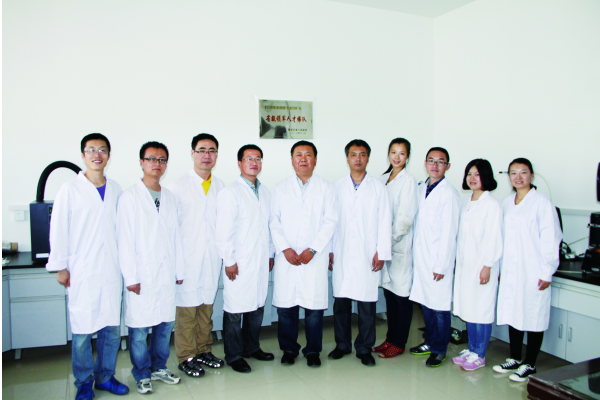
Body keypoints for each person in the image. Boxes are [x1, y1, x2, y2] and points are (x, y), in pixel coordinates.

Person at [47, 133, 129, 400]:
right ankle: (83, 382)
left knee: (110, 329)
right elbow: (58, 228)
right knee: (82, 330)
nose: (97, 154)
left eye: (102, 149)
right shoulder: (69, 189)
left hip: (111, 269)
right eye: (91, 150)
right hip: (82, 269)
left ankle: (105, 377)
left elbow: (122, 230)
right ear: (83, 156)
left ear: (108, 155)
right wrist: (61, 266)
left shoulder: (116, 189)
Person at [117, 141, 185, 394]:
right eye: (152, 159)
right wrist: (131, 276)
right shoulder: (129, 197)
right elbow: (124, 240)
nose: (157, 164)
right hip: (142, 274)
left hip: (166, 272)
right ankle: (142, 373)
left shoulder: (169, 197)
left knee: (165, 325)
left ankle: (159, 367)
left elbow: (176, 236)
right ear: (141, 162)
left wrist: (179, 270)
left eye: (162, 160)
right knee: (138, 329)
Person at [493, 158, 562, 382]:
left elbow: (552, 239)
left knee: (533, 315)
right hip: (511, 270)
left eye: (523, 172)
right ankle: (514, 358)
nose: (518, 177)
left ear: (532, 175)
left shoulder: (542, 203)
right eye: (513, 173)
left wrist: (547, 271)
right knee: (514, 312)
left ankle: (530, 363)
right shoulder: (506, 202)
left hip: (534, 270)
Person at [270, 141, 338, 368]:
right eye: (298, 154)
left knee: (314, 309)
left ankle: (313, 351)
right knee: (286, 309)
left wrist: (313, 249)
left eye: (308, 155)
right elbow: (274, 221)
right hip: (287, 257)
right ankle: (289, 349)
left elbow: (330, 221)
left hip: (314, 257)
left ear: (315, 160)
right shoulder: (280, 188)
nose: (303, 159)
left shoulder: (326, 188)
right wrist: (285, 248)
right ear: (292, 160)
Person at [329, 139, 392, 367]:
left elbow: (385, 220)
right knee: (341, 304)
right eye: (354, 154)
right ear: (347, 158)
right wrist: (330, 250)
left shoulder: (378, 188)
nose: (358, 158)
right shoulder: (336, 187)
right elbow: (330, 221)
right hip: (342, 251)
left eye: (362, 154)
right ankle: (342, 345)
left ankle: (364, 348)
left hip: (368, 253)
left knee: (367, 305)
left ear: (368, 158)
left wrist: (382, 252)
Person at [168, 134, 225, 377]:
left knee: (206, 310)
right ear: (192, 153)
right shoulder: (177, 186)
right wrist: (175, 265)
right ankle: (186, 356)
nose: (206, 155)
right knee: (186, 313)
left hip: (211, 258)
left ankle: (204, 350)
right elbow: (170, 229)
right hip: (187, 260)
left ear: (216, 155)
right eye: (201, 150)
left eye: (211, 151)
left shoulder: (221, 187)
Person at [215, 144, 275, 373]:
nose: (254, 162)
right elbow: (224, 231)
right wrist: (229, 260)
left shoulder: (265, 192)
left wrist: (270, 253)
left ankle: (252, 347)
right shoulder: (230, 192)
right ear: (240, 163)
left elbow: (269, 227)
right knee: (235, 310)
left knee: (257, 306)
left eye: (258, 158)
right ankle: (234, 355)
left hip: (259, 260)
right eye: (249, 158)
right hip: (238, 262)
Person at [409, 147, 460, 367]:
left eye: (440, 161)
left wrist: (442, 264)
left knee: (439, 307)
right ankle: (429, 341)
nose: (435, 165)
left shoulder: (450, 194)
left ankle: (439, 349)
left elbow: (449, 233)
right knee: (426, 304)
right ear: (425, 163)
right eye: (431, 160)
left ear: (447, 166)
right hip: (422, 258)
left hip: (438, 261)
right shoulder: (422, 189)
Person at [451, 159, 503, 371]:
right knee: (469, 307)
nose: (472, 178)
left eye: (477, 174)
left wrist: (487, 265)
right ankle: (472, 349)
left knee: (481, 309)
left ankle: (480, 354)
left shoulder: (492, 204)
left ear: (486, 177)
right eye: (469, 174)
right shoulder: (466, 202)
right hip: (466, 265)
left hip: (483, 265)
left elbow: (494, 237)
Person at [373, 138, 418, 359]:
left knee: (402, 298)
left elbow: (404, 219)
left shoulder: (408, 181)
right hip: (385, 247)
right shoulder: (383, 179)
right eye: (393, 152)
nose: (397, 157)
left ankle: (399, 343)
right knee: (390, 296)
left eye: (402, 153)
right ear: (388, 154)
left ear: (407, 156)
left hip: (399, 247)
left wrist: (386, 243)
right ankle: (390, 339)